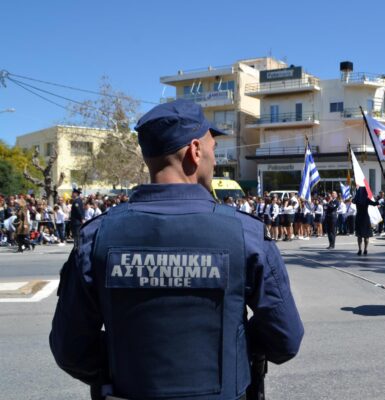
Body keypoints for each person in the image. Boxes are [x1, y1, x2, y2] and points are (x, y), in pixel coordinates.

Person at [50, 99, 304, 400]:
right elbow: (284, 339)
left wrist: (125, 367)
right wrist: (235, 353)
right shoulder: (245, 234)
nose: (214, 158)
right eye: (212, 149)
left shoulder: (97, 237)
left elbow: (70, 349)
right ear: (195, 152)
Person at [353, 187, 378, 255]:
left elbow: (353, 200)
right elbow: (375, 203)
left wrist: (356, 193)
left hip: (359, 218)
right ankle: (365, 249)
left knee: (359, 235)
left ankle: (359, 249)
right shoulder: (366, 199)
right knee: (366, 236)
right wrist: (377, 199)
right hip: (365, 218)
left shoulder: (356, 199)